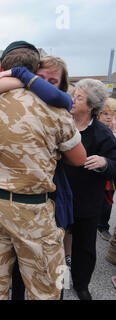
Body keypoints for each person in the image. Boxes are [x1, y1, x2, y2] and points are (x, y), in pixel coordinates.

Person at [0, 41, 86, 300]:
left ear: (2, 68)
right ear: (35, 71)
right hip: (31, 210)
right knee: (43, 289)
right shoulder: (53, 109)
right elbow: (79, 159)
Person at [64, 78, 116, 300]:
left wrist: (105, 163)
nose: (72, 100)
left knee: (85, 248)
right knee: (54, 244)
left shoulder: (103, 134)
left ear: (91, 106)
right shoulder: (61, 125)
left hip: (87, 201)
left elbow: (114, 164)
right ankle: (59, 281)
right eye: (73, 95)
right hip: (59, 197)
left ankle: (82, 284)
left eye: (78, 97)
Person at [97, 100, 116, 241]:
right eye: (105, 114)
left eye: (112, 114)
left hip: (111, 173)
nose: (109, 117)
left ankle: (103, 226)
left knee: (107, 201)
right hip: (96, 173)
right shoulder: (95, 129)